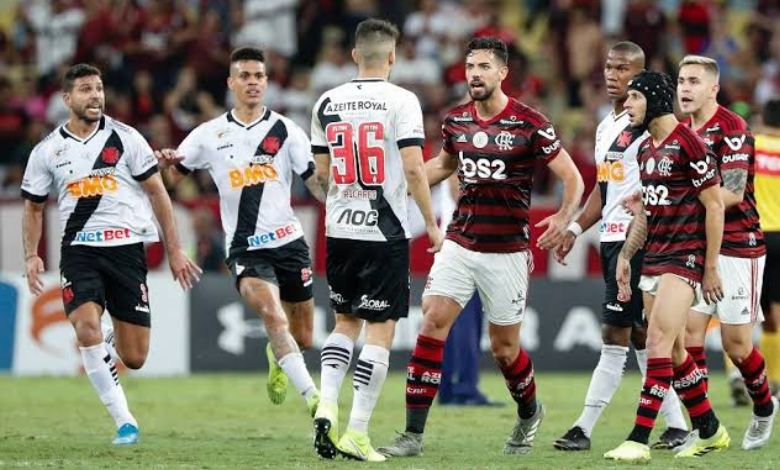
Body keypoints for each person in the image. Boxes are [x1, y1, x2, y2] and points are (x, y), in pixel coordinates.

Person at [378, 36, 585, 458]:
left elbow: (573, 178)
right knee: (432, 321)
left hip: (507, 250)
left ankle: (529, 413)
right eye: (470, 66)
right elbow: (444, 165)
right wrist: (400, 187)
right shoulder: (456, 120)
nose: (475, 74)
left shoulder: (530, 122)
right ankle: (412, 434)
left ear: (502, 73)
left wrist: (564, 218)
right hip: (460, 241)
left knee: (505, 350)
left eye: (484, 67)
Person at [21, 63, 201, 445]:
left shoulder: (128, 138)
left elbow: (158, 194)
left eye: (99, 88)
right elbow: (34, 207)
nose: (95, 96)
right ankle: (125, 422)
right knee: (84, 328)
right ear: (67, 99)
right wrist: (31, 255)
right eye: (86, 90)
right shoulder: (48, 150)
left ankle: (107, 336)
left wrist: (176, 250)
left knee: (134, 357)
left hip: (126, 251)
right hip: (79, 252)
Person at [154, 47, 321, 414]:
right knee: (273, 316)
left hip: (289, 242)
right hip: (245, 249)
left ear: (267, 81)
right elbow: (172, 178)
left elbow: (314, 182)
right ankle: (316, 401)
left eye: (259, 76)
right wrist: (165, 164)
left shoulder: (286, 130)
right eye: (245, 76)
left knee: (304, 336)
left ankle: (277, 355)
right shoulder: (208, 134)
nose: (253, 82)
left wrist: (339, 199)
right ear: (231, 83)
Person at [310, 18, 442, 462]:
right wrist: (431, 222)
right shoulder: (403, 100)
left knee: (343, 322)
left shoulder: (326, 101)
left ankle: (326, 402)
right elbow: (412, 167)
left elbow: (321, 175)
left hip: (338, 229)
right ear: (392, 56)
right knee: (381, 330)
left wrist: (339, 199)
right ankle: (357, 433)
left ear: (353, 55)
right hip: (383, 231)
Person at [553, 41, 688, 452]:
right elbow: (604, 188)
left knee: (623, 332)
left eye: (623, 70)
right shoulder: (604, 125)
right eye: (609, 67)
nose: (612, 75)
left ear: (640, 76)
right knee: (640, 336)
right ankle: (681, 424)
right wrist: (575, 229)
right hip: (611, 237)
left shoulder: (652, 126)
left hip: (641, 236)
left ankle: (584, 426)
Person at [604, 70, 728, 463]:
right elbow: (648, 210)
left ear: (655, 99)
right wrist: (626, 254)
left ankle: (638, 439)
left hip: (686, 257)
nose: (626, 105)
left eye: (634, 98)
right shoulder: (644, 149)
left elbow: (715, 205)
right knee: (672, 351)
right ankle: (709, 429)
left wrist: (710, 267)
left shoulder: (690, 143)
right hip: (654, 255)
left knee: (656, 339)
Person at [677, 55, 778, 449]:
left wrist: (680, 194)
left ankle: (764, 406)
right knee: (688, 336)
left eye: (694, 81)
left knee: (737, 344)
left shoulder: (733, 129)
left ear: (713, 88)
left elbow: (733, 194)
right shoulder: (682, 132)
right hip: (698, 244)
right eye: (682, 80)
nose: (685, 88)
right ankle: (705, 427)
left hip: (739, 247)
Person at [755, 98, 780, 400]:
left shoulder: (752, 145)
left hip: (753, 234)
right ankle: (775, 379)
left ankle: (738, 375)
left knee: (743, 310)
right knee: (776, 312)